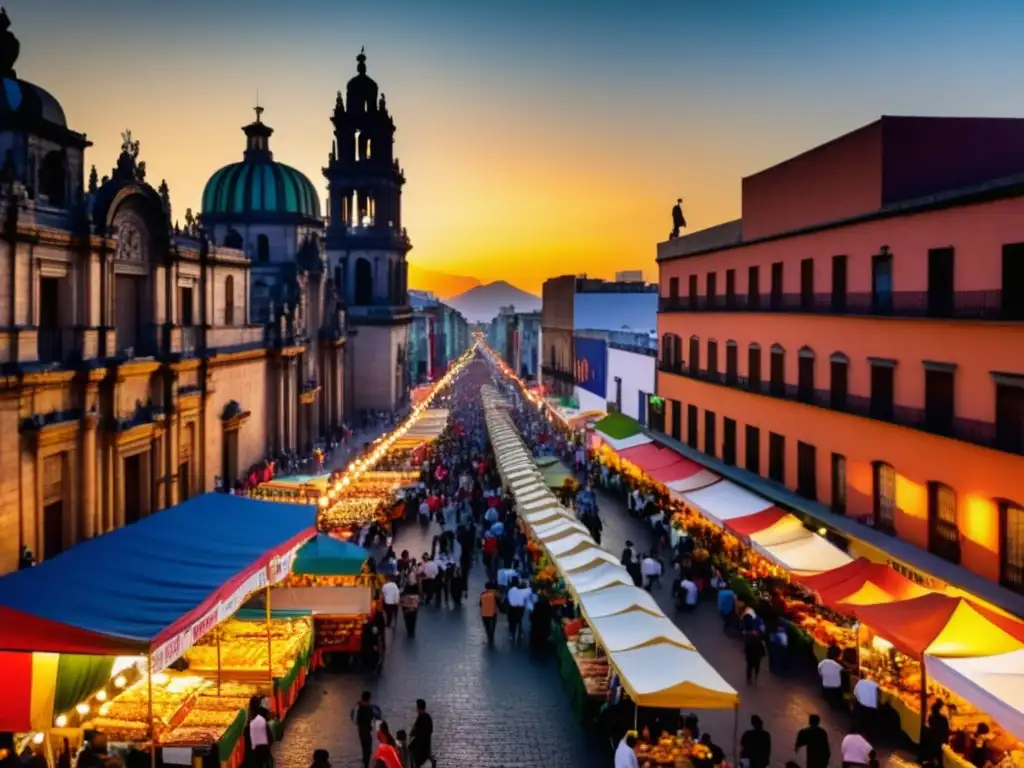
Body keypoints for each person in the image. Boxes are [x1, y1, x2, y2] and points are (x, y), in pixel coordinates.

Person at [351, 691, 382, 768]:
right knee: (368, 749)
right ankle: (366, 764)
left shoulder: (357, 707)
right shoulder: (371, 708)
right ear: (369, 698)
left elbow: (354, 719)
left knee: (364, 748)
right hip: (367, 731)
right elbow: (378, 716)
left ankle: (365, 763)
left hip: (361, 730)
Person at [244, 695, 273, 768]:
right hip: (262, 755)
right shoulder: (261, 720)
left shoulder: (249, 724)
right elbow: (270, 738)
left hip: (254, 758)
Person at [923, 699, 950, 767]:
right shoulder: (935, 717)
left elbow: (944, 730)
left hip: (937, 740)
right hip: (935, 740)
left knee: (937, 754)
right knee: (936, 754)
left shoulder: (940, 719)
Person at [409, 699, 435, 768]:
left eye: (417, 708)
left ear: (419, 708)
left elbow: (416, 733)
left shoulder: (421, 718)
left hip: (421, 749)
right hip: (426, 746)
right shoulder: (428, 717)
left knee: (410, 752)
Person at [506, 577, 531, 642]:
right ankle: (520, 632)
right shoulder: (525, 591)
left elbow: (508, 598)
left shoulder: (511, 590)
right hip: (520, 608)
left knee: (512, 620)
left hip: (511, 608)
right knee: (519, 620)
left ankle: (512, 633)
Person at [480, 581, 499, 645]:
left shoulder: (483, 593)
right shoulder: (495, 594)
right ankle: (491, 638)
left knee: (487, 628)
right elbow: (499, 604)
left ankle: (489, 638)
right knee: (492, 628)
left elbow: (480, 604)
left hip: (484, 614)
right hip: (493, 614)